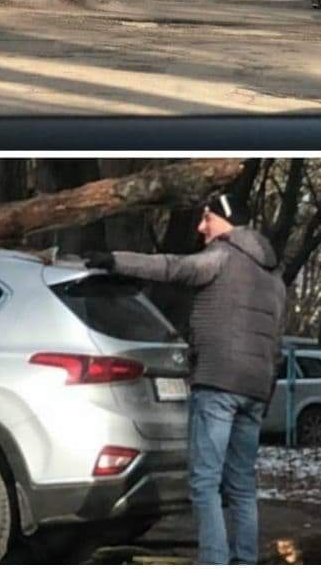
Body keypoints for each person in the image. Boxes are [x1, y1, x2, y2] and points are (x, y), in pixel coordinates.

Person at [85, 193, 285, 565]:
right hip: (255, 391)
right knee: (242, 486)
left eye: (206, 218)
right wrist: (265, 390)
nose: (199, 226)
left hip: (218, 383)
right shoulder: (273, 279)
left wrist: (116, 261)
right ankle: (245, 561)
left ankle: (213, 562)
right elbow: (276, 343)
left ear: (224, 219)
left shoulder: (222, 257)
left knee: (205, 484)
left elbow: (172, 267)